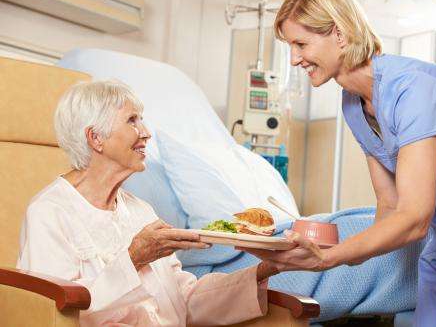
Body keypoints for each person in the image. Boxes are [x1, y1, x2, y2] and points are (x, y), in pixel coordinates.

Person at [240, 0, 436, 325]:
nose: (294, 59)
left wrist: (327, 261)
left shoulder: (413, 87)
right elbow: (389, 206)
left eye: (301, 44)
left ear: (339, 34)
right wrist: (327, 252)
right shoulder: (353, 104)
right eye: (290, 47)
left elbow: (414, 217)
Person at [17, 80, 278, 327]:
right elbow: (54, 312)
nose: (146, 133)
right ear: (96, 138)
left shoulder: (141, 211)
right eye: (132, 120)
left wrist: (265, 270)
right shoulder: (50, 213)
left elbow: (184, 299)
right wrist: (133, 258)